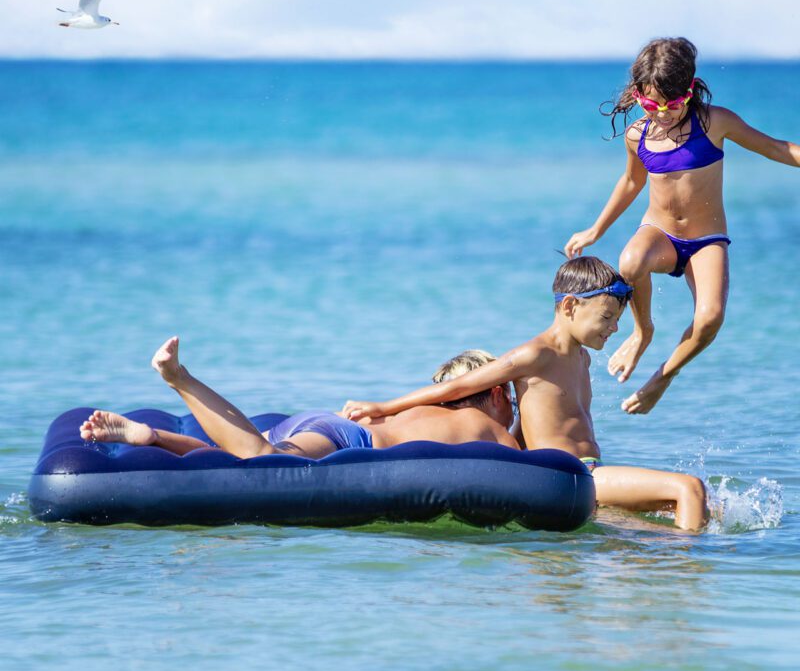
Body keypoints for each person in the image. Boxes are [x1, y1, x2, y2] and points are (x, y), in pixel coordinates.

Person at [343, 256, 708, 531]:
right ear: (570, 306)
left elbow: (533, 424)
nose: (614, 328)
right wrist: (382, 407)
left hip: (591, 474)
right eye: (607, 317)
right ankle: (691, 571)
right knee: (688, 489)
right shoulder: (535, 354)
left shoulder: (582, 358)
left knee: (692, 510)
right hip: (573, 475)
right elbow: (458, 387)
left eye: (617, 320)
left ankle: (667, 560)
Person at [564, 37, 800, 414]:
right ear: (638, 95)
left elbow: (776, 148)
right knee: (629, 262)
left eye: (673, 105)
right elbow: (631, 182)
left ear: (689, 91)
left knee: (710, 318)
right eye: (651, 105)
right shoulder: (637, 135)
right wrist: (596, 230)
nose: (662, 114)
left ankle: (663, 377)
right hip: (660, 236)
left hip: (706, 241)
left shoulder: (714, 122)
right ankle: (643, 331)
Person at [80, 337, 519, 459]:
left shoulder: (424, 409)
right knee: (261, 459)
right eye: (512, 402)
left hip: (325, 424)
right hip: (348, 440)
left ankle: (152, 437)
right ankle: (181, 379)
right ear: (497, 393)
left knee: (231, 456)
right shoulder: (487, 427)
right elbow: (532, 464)